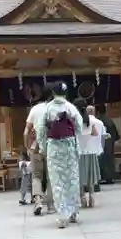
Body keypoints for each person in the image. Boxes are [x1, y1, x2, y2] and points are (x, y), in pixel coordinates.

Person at [36, 81, 83, 228]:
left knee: (58, 182)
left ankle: (63, 216)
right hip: (69, 146)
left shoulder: (48, 108)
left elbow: (41, 129)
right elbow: (79, 126)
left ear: (53, 93)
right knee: (72, 179)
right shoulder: (71, 107)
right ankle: (74, 211)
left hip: (55, 147)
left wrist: (43, 146)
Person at [23, 84, 54, 216]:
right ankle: (51, 205)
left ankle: (38, 202)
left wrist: (27, 147)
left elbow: (26, 131)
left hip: (36, 147)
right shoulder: (55, 109)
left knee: (37, 176)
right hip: (52, 146)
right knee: (51, 176)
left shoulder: (35, 109)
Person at [74, 99, 99, 207]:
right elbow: (95, 133)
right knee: (90, 175)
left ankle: (82, 197)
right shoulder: (91, 119)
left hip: (78, 152)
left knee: (79, 176)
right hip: (90, 151)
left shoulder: (74, 120)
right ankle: (92, 196)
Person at [95, 104, 120, 184]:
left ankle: (103, 177)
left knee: (102, 161)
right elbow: (116, 135)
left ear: (97, 111)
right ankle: (110, 177)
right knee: (110, 160)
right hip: (110, 143)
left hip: (102, 143)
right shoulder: (110, 120)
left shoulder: (98, 121)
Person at [87, 105, 107, 192]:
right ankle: (96, 185)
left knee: (88, 168)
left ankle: (88, 186)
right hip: (97, 148)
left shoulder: (84, 122)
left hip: (87, 149)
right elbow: (103, 136)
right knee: (96, 167)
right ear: (94, 112)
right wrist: (102, 147)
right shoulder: (99, 122)